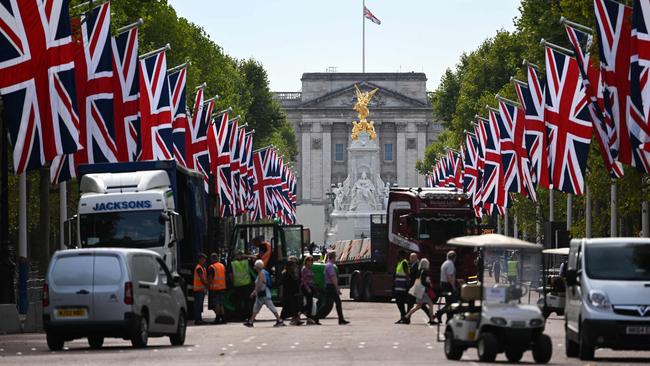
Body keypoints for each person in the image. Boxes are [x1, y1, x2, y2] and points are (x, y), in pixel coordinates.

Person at [244, 260, 285, 327]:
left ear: (257, 267)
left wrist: (254, 291)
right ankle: (251, 321)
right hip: (261, 294)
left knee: (271, 307)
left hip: (264, 294)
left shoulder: (261, 273)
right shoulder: (263, 272)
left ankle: (279, 320)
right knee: (256, 308)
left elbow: (260, 284)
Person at [315, 252, 349, 325]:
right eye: (335, 257)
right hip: (331, 287)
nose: (335, 259)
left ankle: (341, 319)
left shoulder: (327, 265)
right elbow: (333, 277)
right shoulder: (330, 266)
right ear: (333, 258)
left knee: (337, 303)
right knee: (328, 304)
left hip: (329, 286)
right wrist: (337, 288)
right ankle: (316, 317)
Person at [403, 258, 437, 325]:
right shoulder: (425, 272)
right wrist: (429, 285)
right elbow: (424, 282)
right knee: (430, 304)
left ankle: (406, 316)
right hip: (423, 291)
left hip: (419, 290)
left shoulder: (419, 271)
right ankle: (432, 320)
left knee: (418, 306)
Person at [405, 253, 430, 323]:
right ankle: (431, 316)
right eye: (410, 257)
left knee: (413, 303)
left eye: (412, 257)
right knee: (420, 304)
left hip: (416, 287)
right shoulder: (412, 265)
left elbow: (416, 276)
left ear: (416, 258)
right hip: (414, 287)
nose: (410, 259)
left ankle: (407, 318)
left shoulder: (418, 265)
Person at [435, 251, 459, 323]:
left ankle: (448, 319)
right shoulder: (450, 264)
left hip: (443, 284)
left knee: (449, 302)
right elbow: (449, 277)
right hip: (448, 285)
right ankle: (440, 313)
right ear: (454, 257)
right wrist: (453, 286)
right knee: (452, 302)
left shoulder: (445, 263)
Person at [230, 251, 254, 320]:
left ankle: (239, 316)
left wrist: (232, 283)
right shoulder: (246, 262)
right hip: (246, 284)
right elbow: (256, 258)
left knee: (238, 301)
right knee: (248, 301)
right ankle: (249, 316)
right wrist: (246, 256)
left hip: (237, 285)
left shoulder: (233, 263)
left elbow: (231, 275)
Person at [280, 256, 303, 325]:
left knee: (295, 306)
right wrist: (281, 294)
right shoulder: (285, 273)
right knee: (287, 307)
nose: (294, 265)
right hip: (288, 292)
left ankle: (296, 320)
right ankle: (280, 320)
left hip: (294, 292)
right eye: (292, 264)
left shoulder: (295, 272)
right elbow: (281, 284)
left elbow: (298, 281)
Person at [207, 253, 227, 324]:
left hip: (215, 288)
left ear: (212, 259)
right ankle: (223, 318)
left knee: (217, 303)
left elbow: (210, 278)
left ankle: (217, 318)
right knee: (221, 303)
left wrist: (208, 286)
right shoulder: (222, 266)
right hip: (222, 287)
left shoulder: (212, 267)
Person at [300, 255, 319, 324]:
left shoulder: (310, 269)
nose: (310, 262)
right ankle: (299, 313)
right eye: (309, 261)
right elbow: (303, 280)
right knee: (309, 303)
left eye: (311, 261)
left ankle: (309, 318)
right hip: (306, 287)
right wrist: (307, 288)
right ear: (306, 261)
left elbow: (311, 279)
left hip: (311, 287)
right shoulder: (304, 269)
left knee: (310, 303)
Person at [393, 251, 411, 324]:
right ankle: (403, 317)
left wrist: (407, 286)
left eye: (398, 255)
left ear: (401, 255)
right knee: (399, 302)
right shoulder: (399, 263)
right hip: (398, 287)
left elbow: (407, 275)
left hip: (403, 287)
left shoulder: (404, 263)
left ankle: (404, 317)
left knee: (401, 302)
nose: (397, 256)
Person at [193, 253, 208, 325]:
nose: (204, 260)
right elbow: (201, 278)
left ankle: (199, 319)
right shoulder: (199, 268)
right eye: (202, 259)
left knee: (199, 305)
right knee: (198, 305)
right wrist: (206, 285)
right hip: (198, 289)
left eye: (204, 259)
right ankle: (197, 320)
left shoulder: (202, 267)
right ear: (199, 259)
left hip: (200, 289)